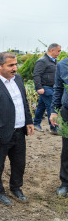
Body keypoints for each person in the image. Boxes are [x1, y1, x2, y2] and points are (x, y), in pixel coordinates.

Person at [0, 52, 34, 205]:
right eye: (11, 65)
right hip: (1, 133)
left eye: (16, 64)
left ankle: (16, 188)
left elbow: (24, 102)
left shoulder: (18, 79)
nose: (15, 68)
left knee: (19, 163)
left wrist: (29, 121)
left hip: (19, 132)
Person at [50, 53, 68, 197]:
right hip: (67, 112)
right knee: (67, 149)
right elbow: (58, 88)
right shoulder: (62, 65)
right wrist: (54, 111)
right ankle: (65, 182)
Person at [33, 43, 61, 134]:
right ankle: (54, 128)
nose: (59, 53)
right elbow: (36, 74)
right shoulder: (42, 61)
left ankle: (36, 123)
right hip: (45, 87)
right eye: (58, 51)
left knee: (41, 106)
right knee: (51, 106)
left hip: (52, 87)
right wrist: (39, 87)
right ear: (52, 50)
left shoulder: (53, 61)